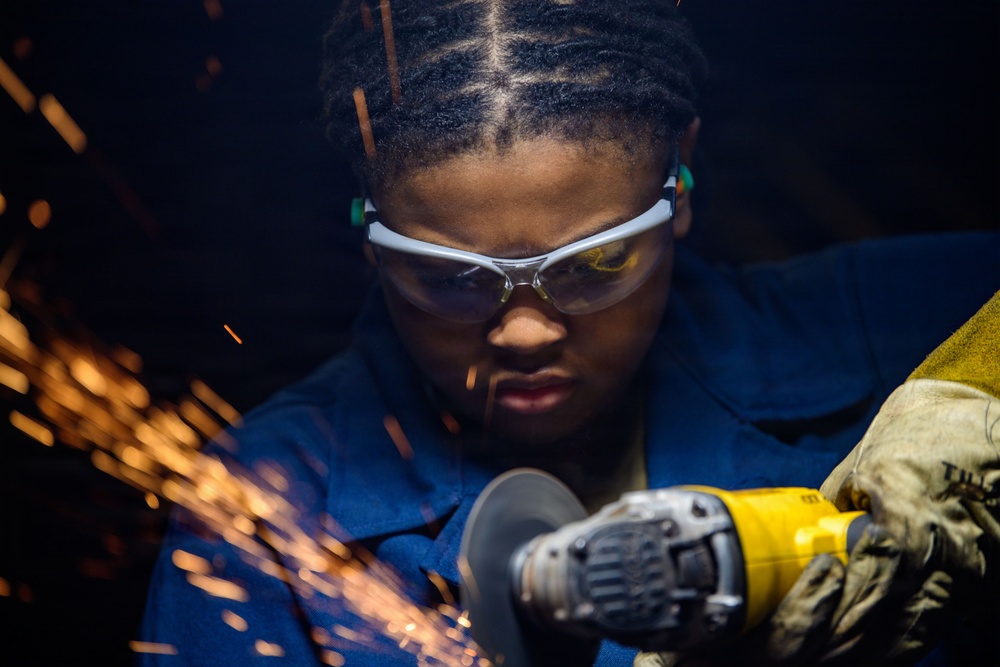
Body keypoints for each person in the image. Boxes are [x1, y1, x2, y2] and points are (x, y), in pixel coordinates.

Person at [137, 1, 999, 665]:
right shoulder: (264, 517)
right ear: (367, 228)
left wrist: (977, 393)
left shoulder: (905, 327)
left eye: (595, 264)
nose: (522, 331)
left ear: (681, 183)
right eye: (449, 278)